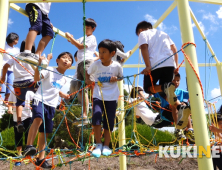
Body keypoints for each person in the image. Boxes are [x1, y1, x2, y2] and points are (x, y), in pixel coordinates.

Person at [23, 52, 73, 168]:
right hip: (40, 99)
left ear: (70, 65)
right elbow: (36, 78)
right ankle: (29, 146)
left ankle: (41, 159)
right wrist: (39, 64)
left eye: (69, 59)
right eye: (64, 57)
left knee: (45, 132)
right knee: (38, 119)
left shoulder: (64, 79)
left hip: (51, 105)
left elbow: (55, 88)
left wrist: (63, 94)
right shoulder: (50, 70)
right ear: (57, 60)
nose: (66, 60)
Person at [136, 21, 189, 127]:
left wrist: (148, 66)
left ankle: (166, 87)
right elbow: (174, 49)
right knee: (165, 93)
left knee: (147, 88)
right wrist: (176, 65)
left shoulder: (143, 34)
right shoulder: (164, 34)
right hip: (169, 65)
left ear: (141, 30)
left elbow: (144, 48)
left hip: (155, 65)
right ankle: (180, 107)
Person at [86, 39, 123, 158]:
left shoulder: (116, 66)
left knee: (109, 120)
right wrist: (88, 80)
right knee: (96, 115)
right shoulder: (96, 64)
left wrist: (115, 78)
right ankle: (98, 144)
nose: (100, 55)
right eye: (100, 52)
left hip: (111, 97)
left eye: (104, 52)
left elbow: (120, 77)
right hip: (98, 95)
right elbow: (87, 72)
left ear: (112, 54)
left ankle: (106, 145)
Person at [0, 41, 42, 133]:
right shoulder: (34, 56)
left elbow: (5, 66)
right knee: (40, 95)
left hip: (18, 83)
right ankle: (38, 115)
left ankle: (19, 122)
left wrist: (3, 78)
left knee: (20, 102)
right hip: (31, 81)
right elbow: (39, 69)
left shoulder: (17, 55)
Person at [65, 18, 97, 122]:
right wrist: (69, 37)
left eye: (88, 28)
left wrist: (71, 38)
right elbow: (72, 41)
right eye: (84, 28)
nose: (85, 30)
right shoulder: (82, 37)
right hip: (80, 64)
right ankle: (84, 114)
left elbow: (79, 46)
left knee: (91, 83)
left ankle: (99, 105)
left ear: (93, 29)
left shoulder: (92, 37)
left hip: (87, 61)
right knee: (82, 90)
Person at [17, 2, 53, 68]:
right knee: (37, 26)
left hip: (44, 13)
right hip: (34, 4)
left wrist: (47, 21)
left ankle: (37, 55)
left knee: (49, 33)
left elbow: (46, 7)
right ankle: (27, 51)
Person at [8, 90, 34, 166]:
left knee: (28, 136)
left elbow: (35, 101)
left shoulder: (29, 92)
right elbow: (10, 103)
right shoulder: (13, 91)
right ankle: (19, 157)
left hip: (28, 117)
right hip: (16, 118)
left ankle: (28, 155)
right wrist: (9, 109)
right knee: (18, 137)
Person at [1, 33, 20, 102]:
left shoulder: (16, 50)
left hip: (11, 68)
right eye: (16, 40)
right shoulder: (4, 46)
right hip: (3, 66)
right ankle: (1, 95)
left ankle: (7, 98)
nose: (17, 42)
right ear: (13, 39)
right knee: (3, 80)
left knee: (10, 83)